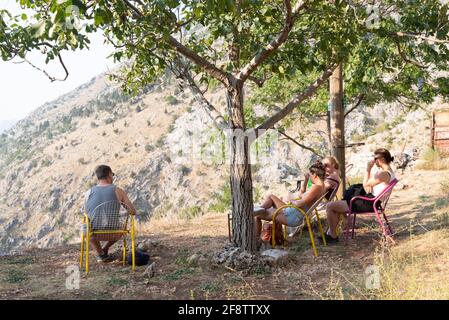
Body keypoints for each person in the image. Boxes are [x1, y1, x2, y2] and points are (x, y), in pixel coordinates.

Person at [323, 148, 396, 244]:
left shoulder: (383, 174)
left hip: (368, 203)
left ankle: (332, 236)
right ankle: (331, 234)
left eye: (375, 158)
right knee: (336, 205)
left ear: (381, 159)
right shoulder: (390, 172)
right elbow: (368, 186)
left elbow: (365, 185)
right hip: (372, 201)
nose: (373, 161)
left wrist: (368, 169)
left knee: (330, 206)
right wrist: (368, 185)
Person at [253, 161, 327, 242]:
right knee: (268, 201)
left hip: (292, 216)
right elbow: (301, 195)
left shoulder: (316, 188)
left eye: (309, 175)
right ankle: (259, 210)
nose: (309, 177)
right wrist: (305, 181)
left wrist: (291, 199)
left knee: (259, 213)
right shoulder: (321, 187)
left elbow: (299, 203)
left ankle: (257, 239)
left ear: (315, 175)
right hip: (294, 213)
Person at [84, 165, 137, 262]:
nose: (112, 176)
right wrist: (122, 212)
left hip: (93, 235)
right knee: (121, 226)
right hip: (114, 233)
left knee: (86, 226)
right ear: (109, 175)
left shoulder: (88, 193)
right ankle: (104, 249)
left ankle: (101, 254)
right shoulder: (119, 191)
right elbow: (133, 211)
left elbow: (87, 213)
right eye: (112, 174)